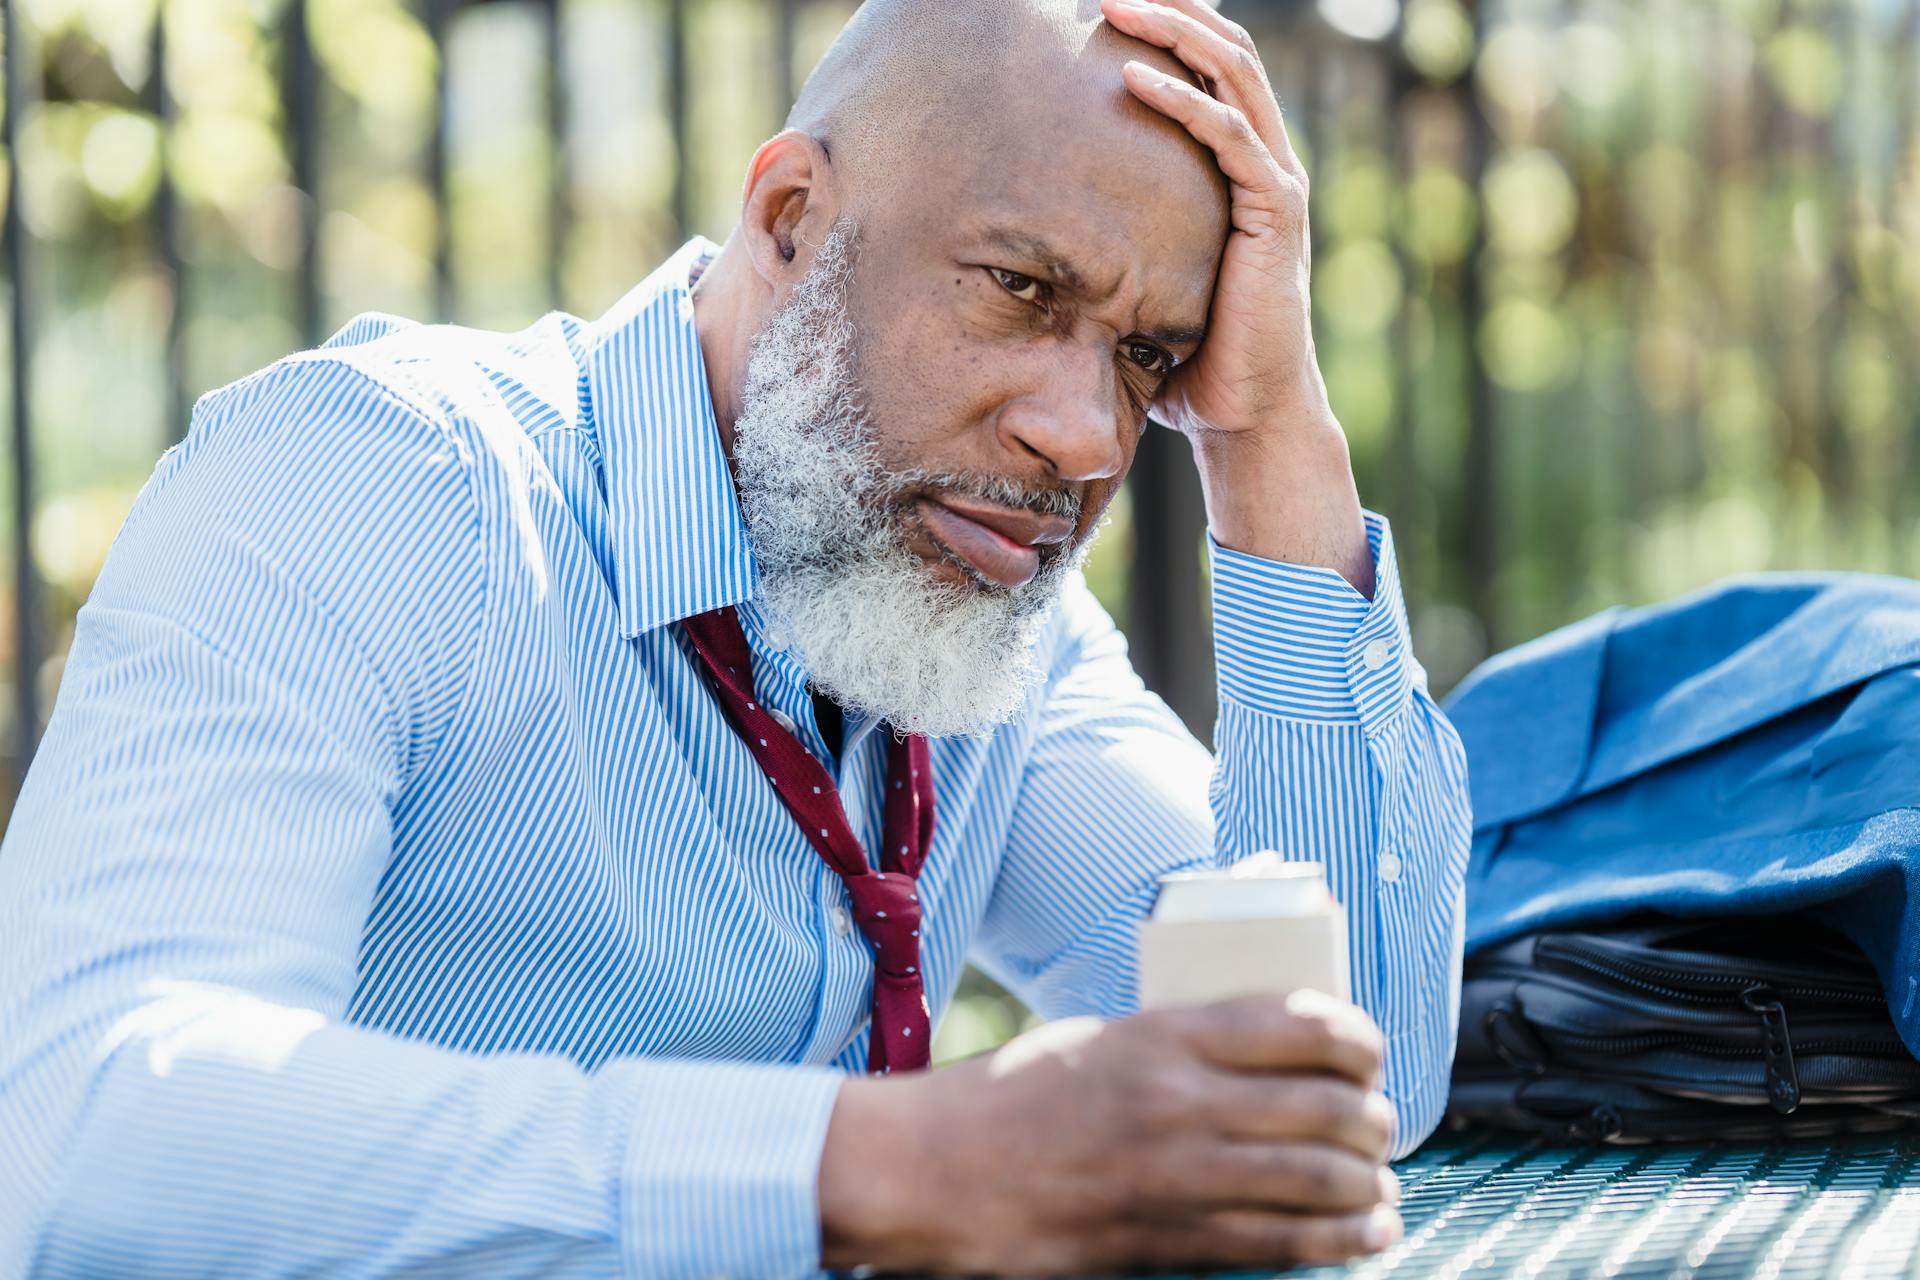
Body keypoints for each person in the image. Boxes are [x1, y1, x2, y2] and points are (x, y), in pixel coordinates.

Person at [0, 0, 1472, 1273]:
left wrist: (1272, 426)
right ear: (791, 220)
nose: (1085, 438)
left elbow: (1353, 1083)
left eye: (1147, 359)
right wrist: (888, 1168)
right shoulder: (376, 482)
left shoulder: (989, 631)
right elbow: (90, 1134)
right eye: (1022, 290)